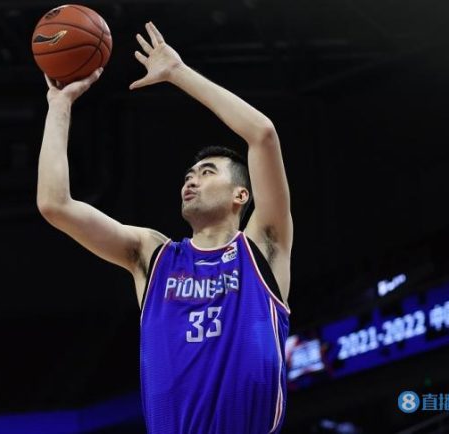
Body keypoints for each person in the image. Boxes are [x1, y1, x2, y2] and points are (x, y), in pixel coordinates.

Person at [37, 21, 292, 434]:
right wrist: (59, 105)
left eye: (207, 172)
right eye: (189, 175)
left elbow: (262, 134)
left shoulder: (263, 246)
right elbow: (54, 204)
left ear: (240, 195)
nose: (191, 181)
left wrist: (177, 73)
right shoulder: (153, 255)